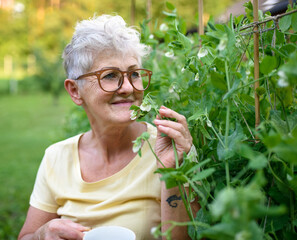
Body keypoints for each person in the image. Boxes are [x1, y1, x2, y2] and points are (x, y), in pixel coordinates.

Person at [18, 14, 199, 240]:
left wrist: (172, 172)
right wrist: (42, 234)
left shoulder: (170, 149)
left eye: (134, 73)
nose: (127, 87)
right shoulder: (57, 157)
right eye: (111, 75)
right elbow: (26, 236)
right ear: (75, 90)